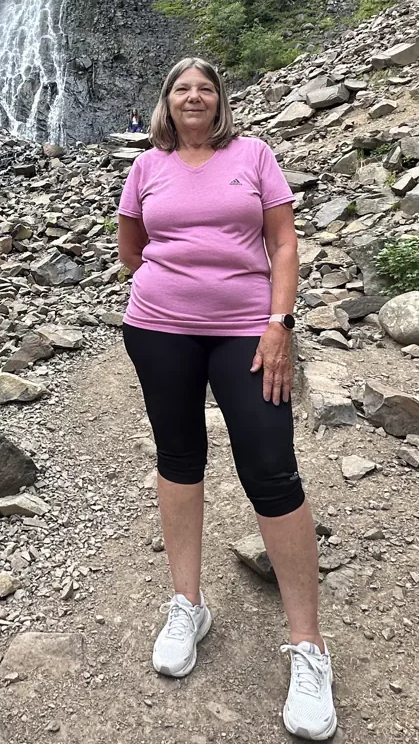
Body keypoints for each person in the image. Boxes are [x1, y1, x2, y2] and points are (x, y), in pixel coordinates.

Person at [116, 56, 336, 740]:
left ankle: (309, 646)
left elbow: (284, 243)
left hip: (248, 330)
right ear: (166, 100)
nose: (194, 96)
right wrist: (179, 282)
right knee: (179, 457)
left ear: (220, 100)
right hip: (159, 328)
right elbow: (132, 251)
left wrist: (280, 323)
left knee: (271, 469)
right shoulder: (146, 167)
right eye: (181, 87)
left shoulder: (255, 155)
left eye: (205, 88)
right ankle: (188, 604)